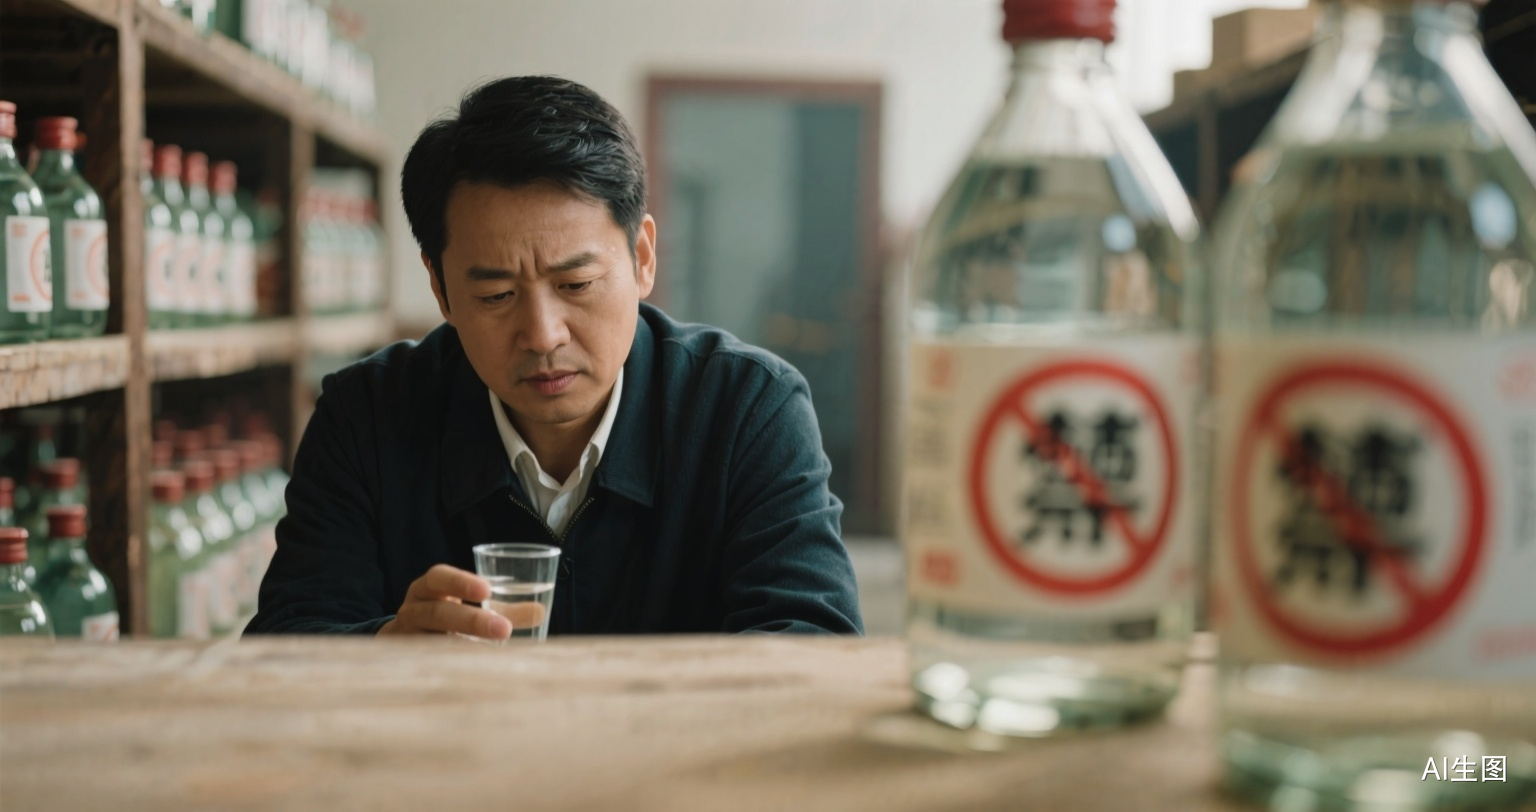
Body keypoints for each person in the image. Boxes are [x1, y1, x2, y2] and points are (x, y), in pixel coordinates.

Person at [246, 76, 864, 638]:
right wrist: (385, 647)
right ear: (440, 288)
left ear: (643, 258)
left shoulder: (748, 407)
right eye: (496, 295)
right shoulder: (365, 417)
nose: (542, 336)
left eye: (576, 284)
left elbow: (816, 641)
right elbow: (284, 644)